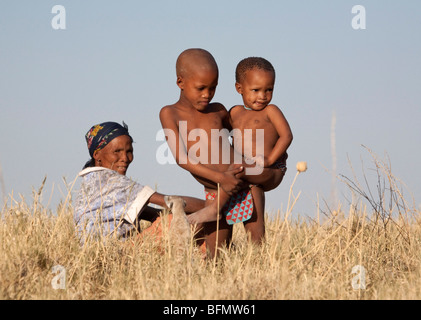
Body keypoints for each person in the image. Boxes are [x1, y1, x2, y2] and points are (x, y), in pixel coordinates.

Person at [159, 49, 278, 255]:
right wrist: (221, 178)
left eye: (213, 88)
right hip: (216, 190)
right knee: (216, 256)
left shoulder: (219, 110)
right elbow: (181, 159)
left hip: (245, 185)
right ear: (180, 83)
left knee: (258, 250)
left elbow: (244, 134)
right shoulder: (170, 113)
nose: (207, 94)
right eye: (201, 88)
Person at [73, 121, 205, 245]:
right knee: (173, 222)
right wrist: (214, 206)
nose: (125, 158)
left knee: (180, 219)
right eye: (117, 151)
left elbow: (154, 213)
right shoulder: (111, 180)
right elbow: (171, 202)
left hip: (104, 254)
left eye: (129, 151)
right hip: (118, 253)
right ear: (97, 155)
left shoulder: (91, 181)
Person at [230, 56, 293, 192]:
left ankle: (212, 210)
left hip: (269, 168)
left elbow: (286, 136)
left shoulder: (270, 111)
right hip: (244, 166)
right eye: (256, 90)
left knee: (237, 172)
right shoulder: (235, 112)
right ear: (239, 88)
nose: (263, 96)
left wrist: (269, 160)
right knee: (229, 174)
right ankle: (215, 210)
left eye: (269, 90)